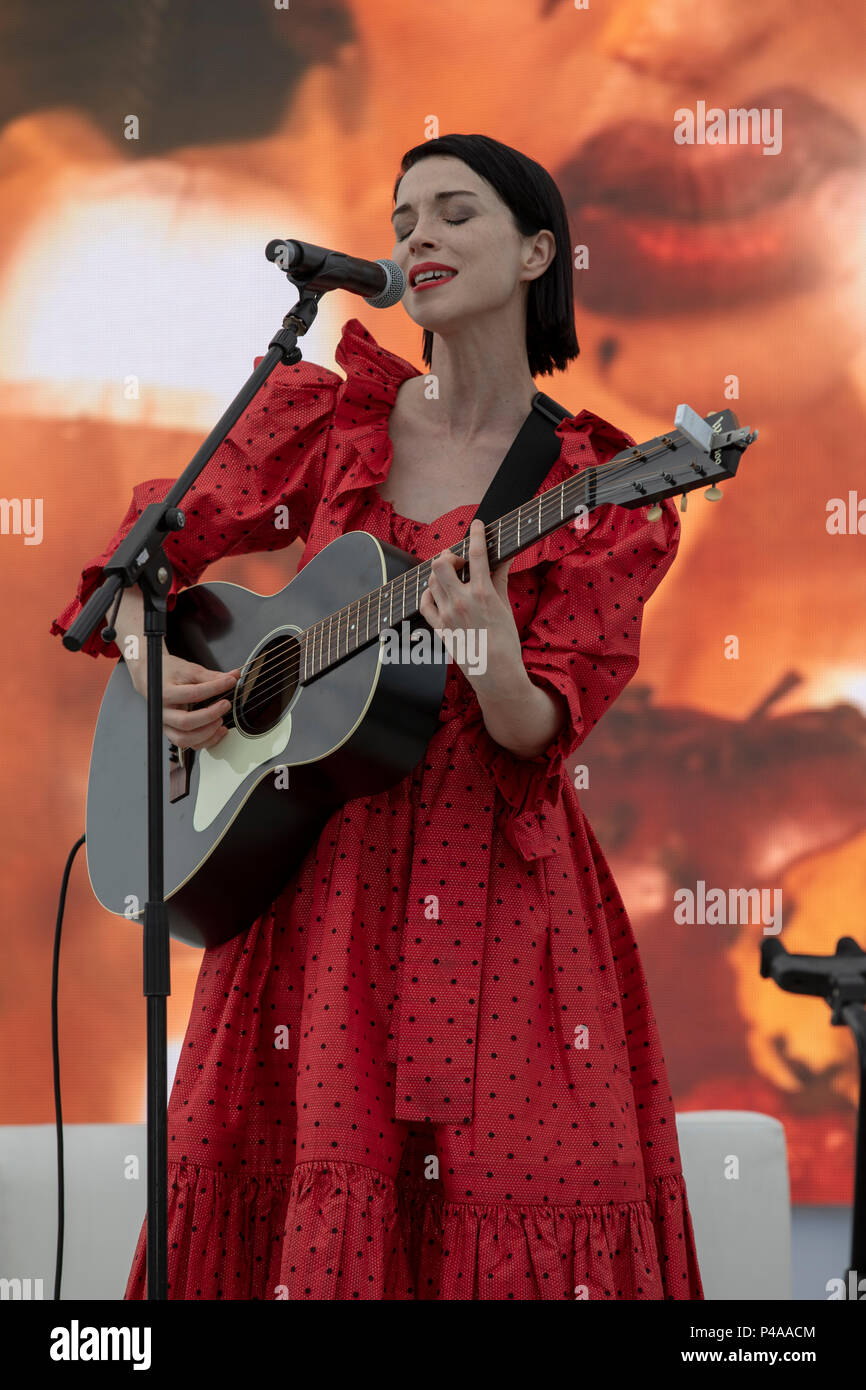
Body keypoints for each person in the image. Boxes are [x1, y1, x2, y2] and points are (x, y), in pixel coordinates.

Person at [51, 133, 703, 1300]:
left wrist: (492, 658)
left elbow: (532, 731)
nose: (418, 238)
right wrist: (154, 662)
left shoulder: (596, 484)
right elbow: (141, 562)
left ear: (537, 250)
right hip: (313, 881)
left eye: (456, 214)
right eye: (404, 219)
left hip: (495, 884)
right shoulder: (333, 414)